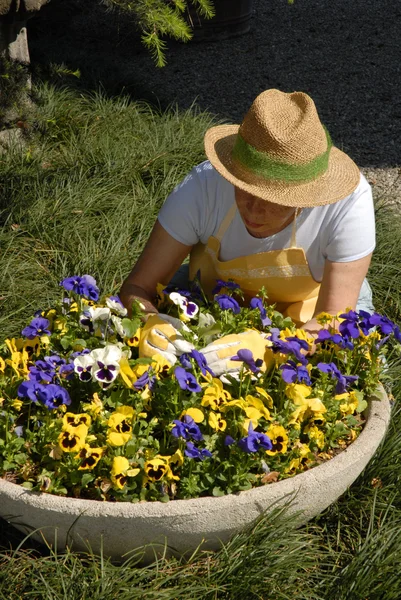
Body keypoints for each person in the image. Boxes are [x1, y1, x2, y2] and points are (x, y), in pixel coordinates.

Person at [120, 89, 375, 369]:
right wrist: (152, 324)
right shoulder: (202, 187)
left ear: (308, 195)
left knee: (353, 364)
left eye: (275, 200)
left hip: (314, 307)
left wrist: (269, 349)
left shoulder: (347, 204)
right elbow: (138, 286)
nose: (254, 210)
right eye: (244, 188)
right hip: (212, 295)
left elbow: (334, 318)